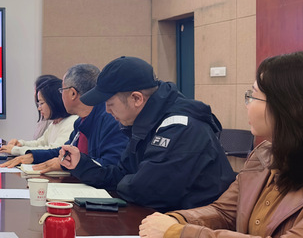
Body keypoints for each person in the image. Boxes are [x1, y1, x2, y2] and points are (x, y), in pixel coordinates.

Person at [139, 51, 303, 238]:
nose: (247, 104)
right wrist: (177, 220)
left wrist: (182, 235)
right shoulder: (263, 157)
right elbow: (223, 212)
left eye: (253, 96)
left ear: (286, 106)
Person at [59, 56, 234, 211]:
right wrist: (81, 164)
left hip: (195, 228)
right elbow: (122, 174)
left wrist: (129, 180)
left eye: (110, 104)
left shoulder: (180, 127)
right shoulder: (144, 123)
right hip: (165, 219)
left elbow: (147, 191)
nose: (107, 110)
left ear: (136, 98)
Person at [1, 64, 127, 172]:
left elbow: (109, 166)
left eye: (62, 90)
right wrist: (33, 156)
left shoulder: (111, 120)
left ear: (72, 93)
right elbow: (63, 152)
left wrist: (66, 165)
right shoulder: (81, 121)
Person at [1, 77, 77, 155]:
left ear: (54, 102)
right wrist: (21, 144)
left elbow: (54, 150)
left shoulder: (71, 123)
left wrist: (17, 150)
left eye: (41, 103)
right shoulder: (55, 123)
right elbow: (40, 143)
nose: (39, 108)